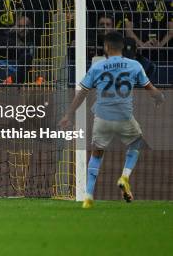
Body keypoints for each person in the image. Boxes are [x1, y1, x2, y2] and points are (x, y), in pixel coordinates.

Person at [59, 31, 164, 208]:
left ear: (106, 47)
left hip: (102, 117)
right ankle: (124, 176)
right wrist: (159, 97)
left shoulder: (98, 67)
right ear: (122, 47)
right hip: (124, 117)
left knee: (97, 154)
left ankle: (88, 197)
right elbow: (150, 89)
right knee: (136, 143)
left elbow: (82, 93)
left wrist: (69, 114)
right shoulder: (135, 65)